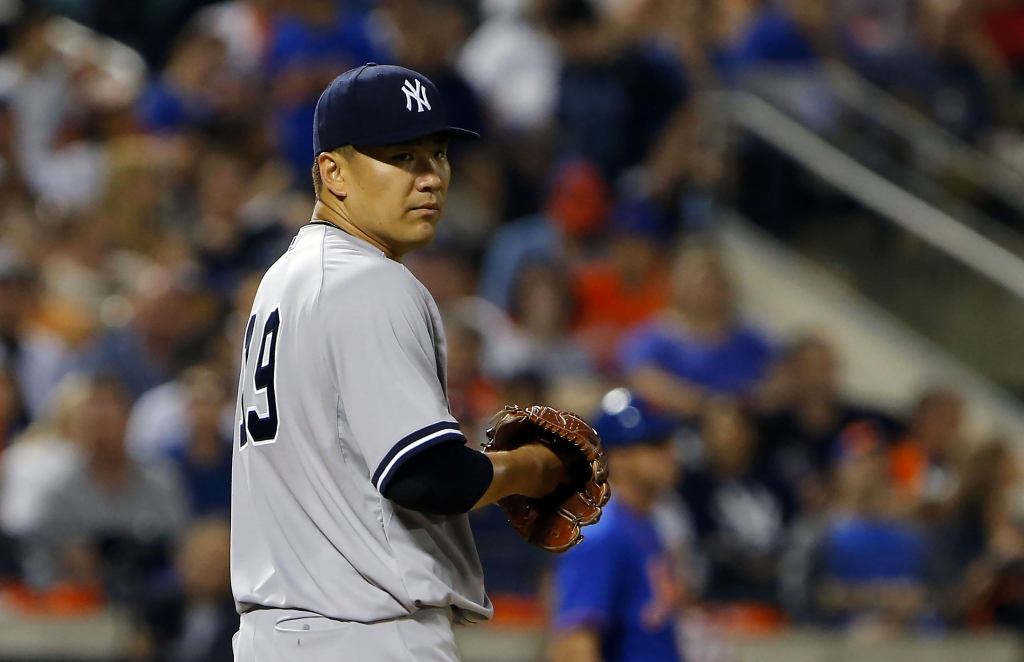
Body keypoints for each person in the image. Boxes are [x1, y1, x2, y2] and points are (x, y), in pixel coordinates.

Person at [231, 64, 580, 662]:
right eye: (401, 157)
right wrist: (534, 468)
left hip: (285, 636)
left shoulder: (284, 278)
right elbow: (426, 476)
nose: (431, 178)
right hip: (364, 635)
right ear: (332, 172)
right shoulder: (367, 281)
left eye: (437, 154)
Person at [551, 388, 685, 662]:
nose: (671, 454)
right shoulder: (601, 535)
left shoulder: (645, 525)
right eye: (655, 445)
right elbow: (575, 646)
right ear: (618, 458)